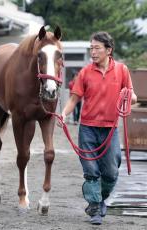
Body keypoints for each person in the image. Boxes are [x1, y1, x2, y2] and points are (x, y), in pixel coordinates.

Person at [59, 31, 137, 225]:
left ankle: (99, 199)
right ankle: (94, 208)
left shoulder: (122, 70)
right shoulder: (85, 72)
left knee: (111, 171)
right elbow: (74, 98)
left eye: (97, 48)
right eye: (91, 48)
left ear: (108, 50)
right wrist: (64, 113)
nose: (93, 52)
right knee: (91, 170)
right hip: (87, 128)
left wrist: (130, 97)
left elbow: (132, 95)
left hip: (110, 128)